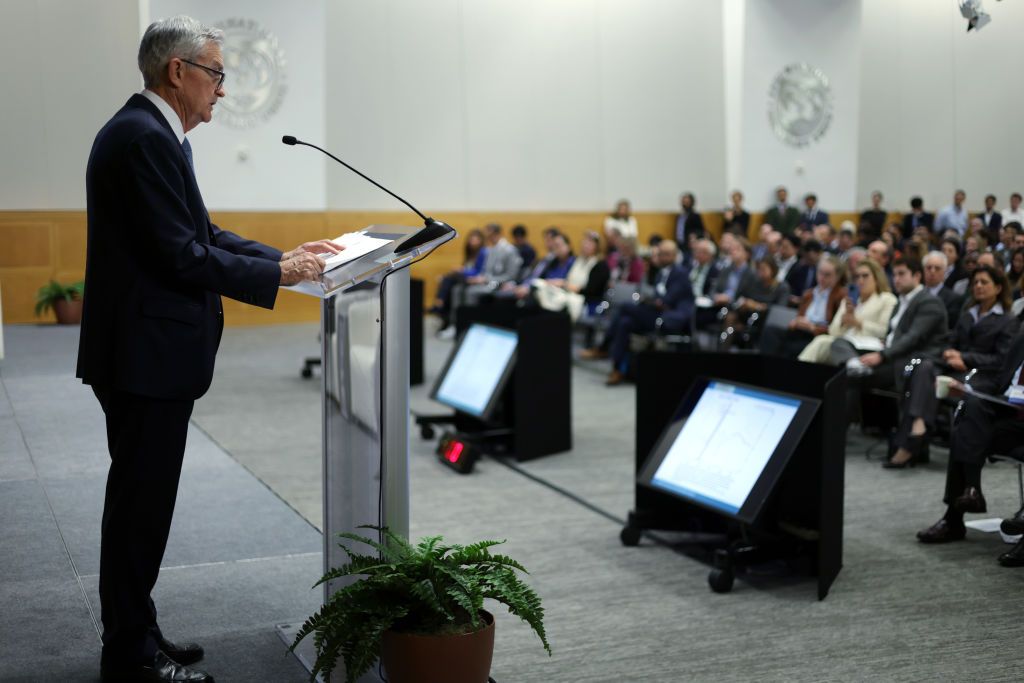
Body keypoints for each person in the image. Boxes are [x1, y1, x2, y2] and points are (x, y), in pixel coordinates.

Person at [76, 17, 341, 683]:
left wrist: (279, 256)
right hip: (146, 357)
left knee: (141, 502)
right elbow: (179, 253)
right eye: (217, 74)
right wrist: (274, 275)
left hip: (146, 352)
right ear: (178, 72)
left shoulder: (150, 134)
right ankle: (129, 655)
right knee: (140, 504)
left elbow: (202, 230)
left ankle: (137, 627)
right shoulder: (142, 139)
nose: (221, 90)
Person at [886, 266, 1018, 468]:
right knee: (923, 366)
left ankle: (912, 441)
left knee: (927, 377)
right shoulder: (968, 312)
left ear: (998, 287)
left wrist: (964, 357)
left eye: (984, 282)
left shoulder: (1007, 320)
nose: (978, 286)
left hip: (982, 374)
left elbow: (1001, 360)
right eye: (975, 282)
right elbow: (951, 340)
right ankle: (918, 426)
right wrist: (949, 352)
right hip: (954, 367)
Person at [916, 330, 1024, 560]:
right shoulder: (1021, 336)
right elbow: (1000, 380)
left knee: (968, 426)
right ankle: (969, 494)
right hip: (1009, 410)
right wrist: (967, 389)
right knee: (969, 411)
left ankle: (956, 514)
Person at [830, 258, 948, 418]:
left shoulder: (929, 302)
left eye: (901, 274)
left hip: (905, 360)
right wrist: (884, 345)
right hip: (888, 351)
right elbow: (893, 334)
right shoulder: (902, 301)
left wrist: (882, 355)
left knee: (848, 377)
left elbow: (913, 338)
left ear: (917, 276)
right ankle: (855, 364)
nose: (896, 279)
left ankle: (838, 431)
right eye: (894, 274)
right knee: (838, 343)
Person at [598, 240, 693, 385]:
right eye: (660, 254)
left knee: (625, 307)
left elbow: (667, 301)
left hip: (668, 318)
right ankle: (617, 369)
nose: (662, 257)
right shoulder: (661, 273)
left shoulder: (680, 274)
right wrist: (650, 301)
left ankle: (604, 346)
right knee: (625, 323)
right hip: (654, 313)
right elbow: (658, 298)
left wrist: (653, 302)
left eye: (666, 254)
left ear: (674, 255)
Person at [798, 259, 897, 365]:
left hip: (867, 345)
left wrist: (858, 323)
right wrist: (843, 321)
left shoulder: (887, 299)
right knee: (823, 341)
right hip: (842, 343)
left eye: (865, 276)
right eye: (857, 277)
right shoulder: (849, 300)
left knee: (821, 341)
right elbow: (833, 332)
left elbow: (884, 331)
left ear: (877, 278)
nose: (860, 280)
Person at [761, 254, 846, 358]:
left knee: (791, 347)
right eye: (820, 273)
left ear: (837, 277)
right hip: (801, 331)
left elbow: (836, 328)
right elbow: (799, 316)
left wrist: (813, 327)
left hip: (818, 336)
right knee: (770, 331)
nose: (822, 278)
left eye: (827, 274)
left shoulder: (840, 296)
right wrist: (796, 321)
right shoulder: (809, 294)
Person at [534, 231, 609, 322]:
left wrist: (565, 285)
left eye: (589, 243)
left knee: (561, 304)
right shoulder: (578, 260)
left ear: (597, 247)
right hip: (568, 293)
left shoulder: (600, 265)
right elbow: (567, 279)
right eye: (585, 242)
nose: (586, 245)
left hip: (586, 301)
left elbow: (591, 292)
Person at [432, 228, 486, 331]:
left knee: (448, 279)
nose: (473, 242)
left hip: (474, 279)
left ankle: (439, 302)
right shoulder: (470, 253)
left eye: (475, 240)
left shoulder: (483, 252)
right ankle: (443, 310)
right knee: (448, 282)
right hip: (465, 278)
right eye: (471, 239)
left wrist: (463, 270)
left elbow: (478, 271)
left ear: (480, 240)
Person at [921, 250, 964, 329]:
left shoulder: (954, 299)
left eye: (937, 268)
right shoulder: (916, 293)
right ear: (923, 270)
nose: (932, 271)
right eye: (929, 267)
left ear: (944, 272)